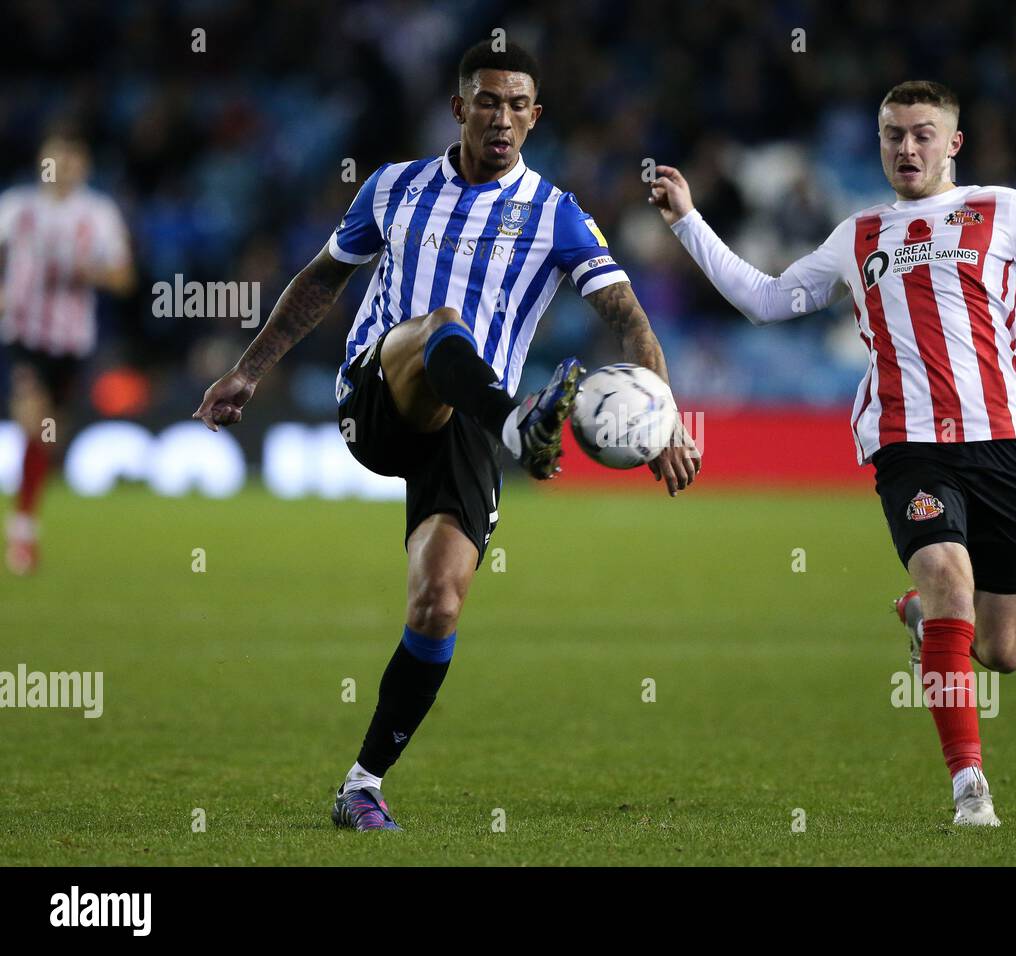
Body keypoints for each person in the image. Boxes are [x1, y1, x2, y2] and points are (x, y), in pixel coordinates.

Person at [650, 80, 1016, 826]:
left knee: (1006, 650)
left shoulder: (1003, 212)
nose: (907, 147)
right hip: (908, 445)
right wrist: (689, 221)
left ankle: (923, 618)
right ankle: (970, 788)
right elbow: (767, 299)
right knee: (952, 583)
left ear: (953, 143)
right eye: (893, 134)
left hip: (1000, 445)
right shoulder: (859, 234)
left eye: (923, 133)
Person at [195, 40, 699, 831]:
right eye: (488, 101)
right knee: (439, 327)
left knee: (437, 602)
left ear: (537, 116)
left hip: (466, 419)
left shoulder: (555, 214)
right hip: (381, 390)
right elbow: (324, 276)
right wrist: (249, 370)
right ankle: (518, 423)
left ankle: (361, 784)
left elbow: (628, 317)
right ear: (460, 108)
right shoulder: (393, 189)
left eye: (518, 104)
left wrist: (664, 412)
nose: (503, 118)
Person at [1, 127, 135, 575]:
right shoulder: (16, 209)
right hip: (23, 335)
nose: (61, 168)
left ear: (84, 167)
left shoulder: (97, 214)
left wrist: (88, 272)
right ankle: (22, 533)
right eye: (54, 158)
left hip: (72, 343)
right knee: (33, 419)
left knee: (49, 435)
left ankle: (32, 497)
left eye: (71, 160)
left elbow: (123, 278)